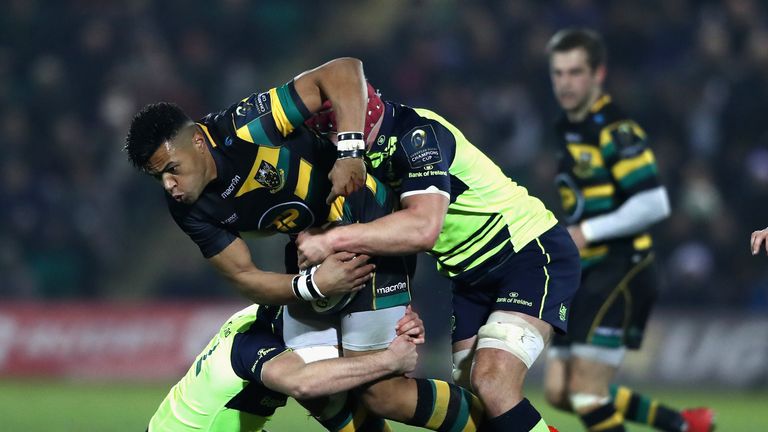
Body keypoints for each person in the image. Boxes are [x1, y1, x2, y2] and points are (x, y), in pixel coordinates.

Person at [125, 57, 483, 432]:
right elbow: (245, 276)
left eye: (171, 169)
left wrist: (349, 153)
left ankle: (506, 425)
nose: (169, 185)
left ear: (198, 142)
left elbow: (343, 71)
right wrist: (312, 286)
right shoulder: (188, 209)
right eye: (158, 177)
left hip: (365, 220)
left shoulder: (246, 128)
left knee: (383, 395)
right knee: (318, 388)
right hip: (310, 251)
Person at [296, 71, 580, 432]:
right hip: (469, 277)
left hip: (527, 251)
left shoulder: (417, 134)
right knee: (480, 410)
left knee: (492, 381)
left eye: (332, 133)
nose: (331, 145)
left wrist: (332, 240)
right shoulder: (365, 160)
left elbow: (423, 228)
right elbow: (390, 237)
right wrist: (399, 300)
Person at [543, 28, 714, 432]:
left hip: (620, 269)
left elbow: (654, 202)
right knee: (558, 392)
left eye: (575, 72)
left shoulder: (614, 130)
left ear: (597, 74)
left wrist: (588, 230)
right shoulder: (567, 129)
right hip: (585, 272)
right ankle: (682, 424)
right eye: (558, 73)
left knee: (586, 393)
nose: (566, 83)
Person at [147, 303, 424, 431]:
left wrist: (393, 329)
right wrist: (388, 359)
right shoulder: (253, 345)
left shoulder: (262, 319)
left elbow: (328, 384)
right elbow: (302, 382)